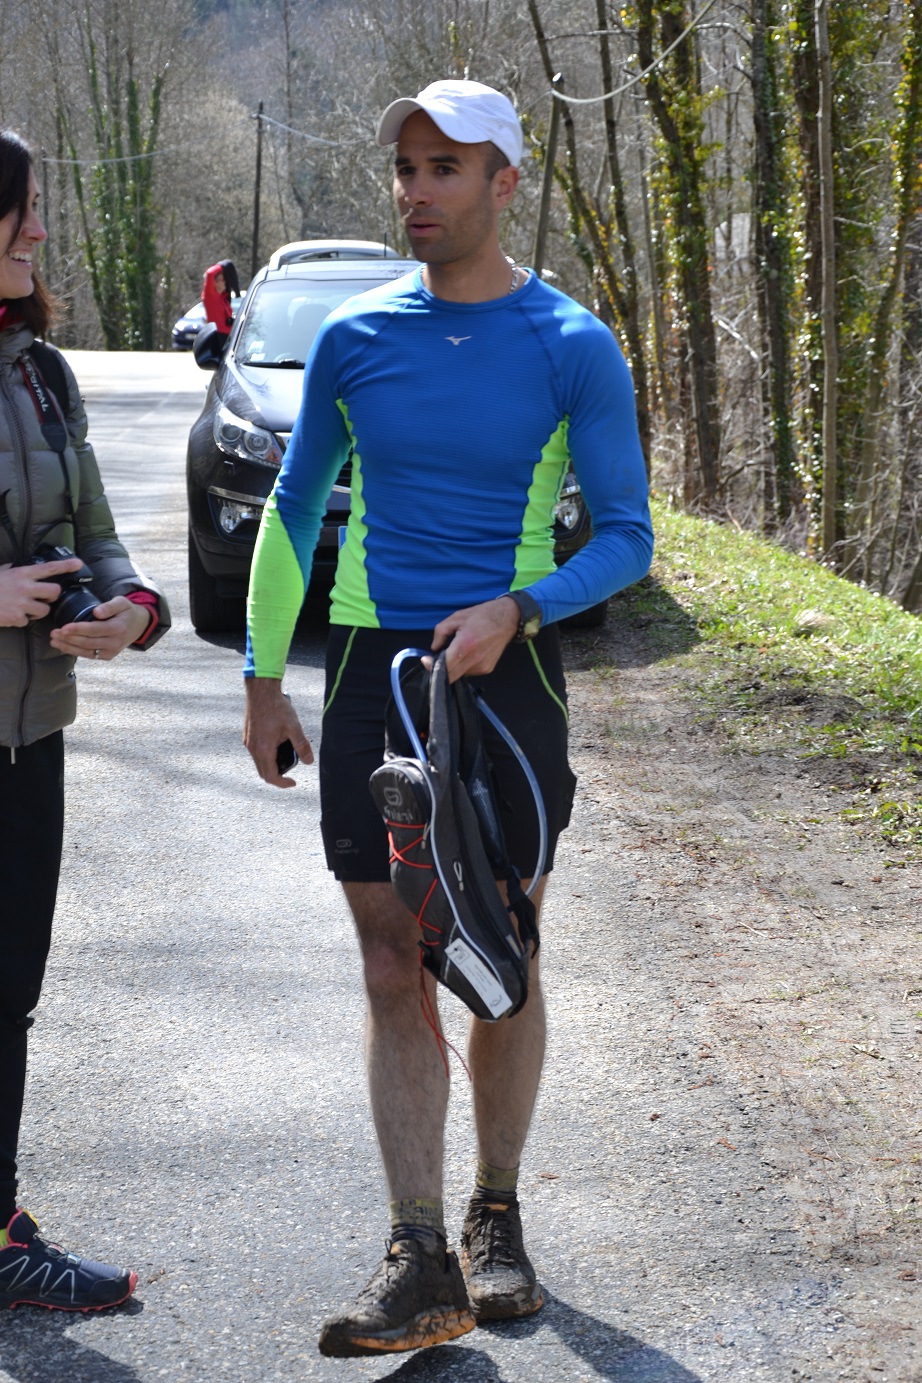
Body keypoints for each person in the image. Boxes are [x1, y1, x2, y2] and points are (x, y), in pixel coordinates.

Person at [243, 79, 653, 1358]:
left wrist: (520, 609)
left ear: (504, 185)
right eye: (407, 168)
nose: (416, 191)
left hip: (505, 684)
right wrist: (263, 677)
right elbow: (293, 510)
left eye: (444, 169)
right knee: (386, 963)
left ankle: (496, 1219)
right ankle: (416, 1252)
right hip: (373, 673)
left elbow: (630, 539)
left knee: (498, 955)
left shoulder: (571, 344)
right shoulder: (357, 339)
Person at [0, 129, 170, 1311]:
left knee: (8, 988)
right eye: (21, 211)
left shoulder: (41, 371)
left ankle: (0, 1234)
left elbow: (98, 529)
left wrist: (133, 610)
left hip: (31, 730)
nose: (40, 232)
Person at [201, 258, 240, 343]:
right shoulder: (210, 296)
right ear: (215, 282)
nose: (225, 282)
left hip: (228, 336)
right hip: (217, 336)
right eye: (222, 280)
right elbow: (210, 273)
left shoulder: (224, 298)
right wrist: (222, 266)